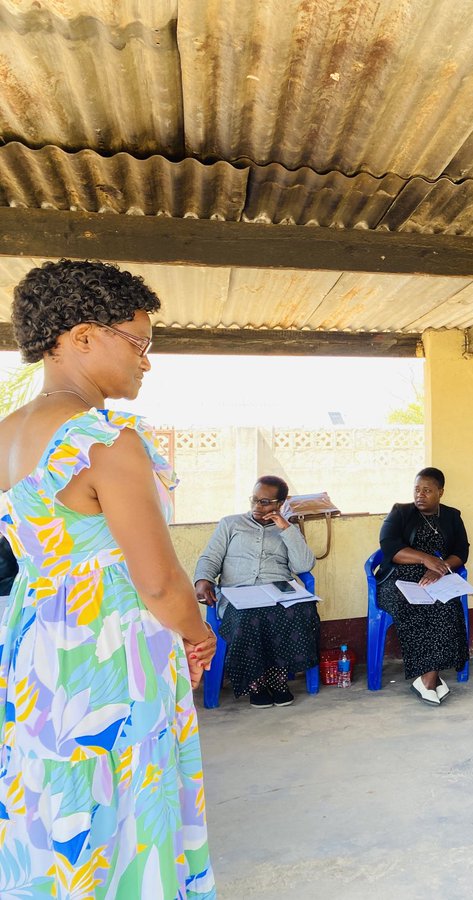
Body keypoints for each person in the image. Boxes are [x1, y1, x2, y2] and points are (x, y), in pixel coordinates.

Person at [0, 260, 216, 896]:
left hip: (35, 648)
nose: (147, 361)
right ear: (83, 336)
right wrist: (198, 636)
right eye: (139, 342)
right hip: (110, 652)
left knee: (56, 808)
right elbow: (159, 583)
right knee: (124, 815)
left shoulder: (6, 433)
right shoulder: (104, 441)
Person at [194, 475, 318, 708]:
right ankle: (256, 683)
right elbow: (210, 557)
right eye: (254, 500)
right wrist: (202, 580)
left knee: (300, 610)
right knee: (249, 617)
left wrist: (285, 528)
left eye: (265, 502)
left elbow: (303, 566)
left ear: (279, 504)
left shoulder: (288, 529)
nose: (257, 507)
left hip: (277, 591)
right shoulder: (230, 524)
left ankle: (278, 680)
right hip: (238, 593)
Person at [375, 467, 470, 705]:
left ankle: (428, 678)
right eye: (417, 489)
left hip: (437, 577)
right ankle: (430, 679)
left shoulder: (451, 516)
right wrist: (425, 558)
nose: (420, 495)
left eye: (427, 490)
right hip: (398, 580)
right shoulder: (400, 512)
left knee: (446, 606)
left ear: (441, 492)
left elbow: (461, 551)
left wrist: (441, 567)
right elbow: (389, 547)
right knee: (417, 604)